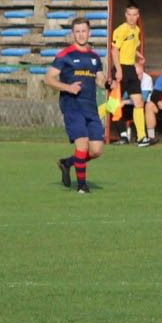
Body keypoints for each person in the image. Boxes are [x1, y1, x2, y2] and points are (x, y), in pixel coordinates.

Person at [46, 18, 106, 194]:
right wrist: (68, 88)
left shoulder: (95, 57)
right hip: (72, 106)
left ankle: (67, 163)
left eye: (84, 31)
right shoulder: (65, 55)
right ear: (73, 34)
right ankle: (82, 186)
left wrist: (107, 83)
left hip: (91, 107)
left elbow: (100, 80)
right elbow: (48, 78)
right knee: (82, 145)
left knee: (96, 151)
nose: (81, 34)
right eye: (77, 31)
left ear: (89, 32)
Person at [110, 5, 148, 144]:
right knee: (113, 104)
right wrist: (118, 70)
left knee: (139, 102)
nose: (132, 18)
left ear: (138, 16)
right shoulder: (121, 30)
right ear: (125, 15)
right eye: (129, 15)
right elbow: (115, 51)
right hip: (121, 68)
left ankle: (142, 137)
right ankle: (122, 134)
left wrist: (139, 55)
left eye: (134, 15)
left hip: (131, 69)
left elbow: (132, 46)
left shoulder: (137, 29)